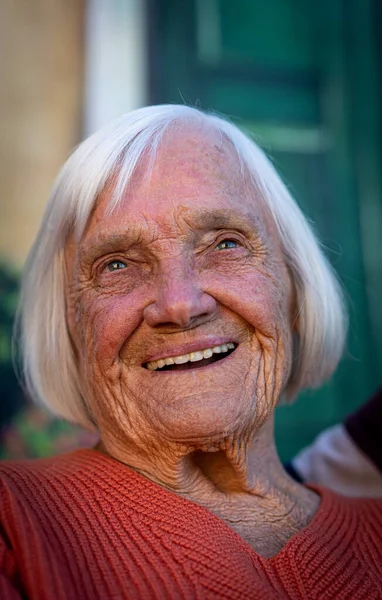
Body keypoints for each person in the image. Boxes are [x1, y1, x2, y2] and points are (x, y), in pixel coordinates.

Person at [1, 105, 381, 600]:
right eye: (117, 264)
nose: (180, 304)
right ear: (69, 322)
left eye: (225, 244)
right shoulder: (16, 522)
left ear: (293, 286)